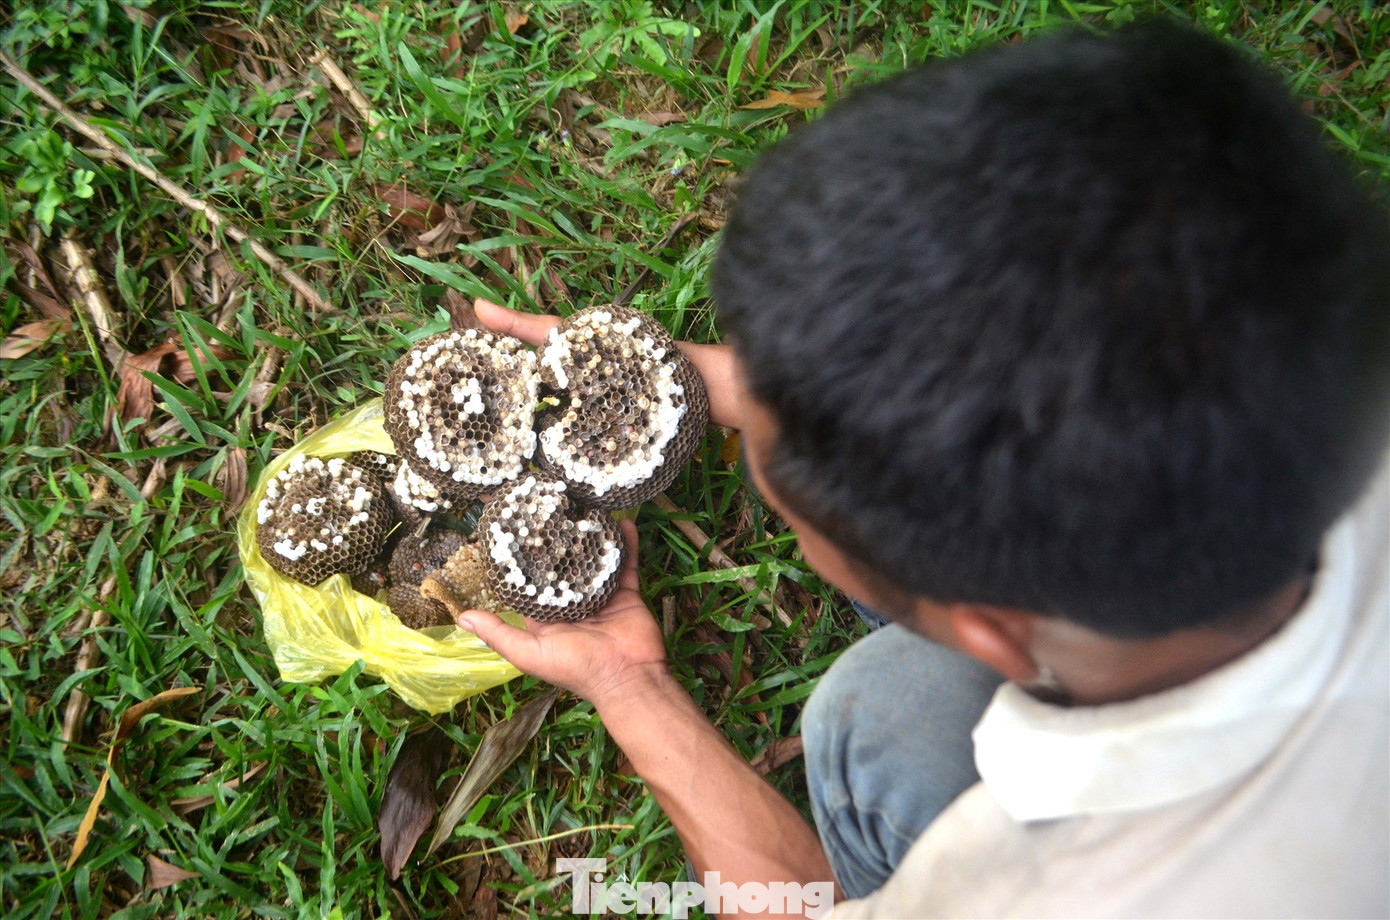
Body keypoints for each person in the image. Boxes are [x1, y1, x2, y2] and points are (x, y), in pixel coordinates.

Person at [453, 20, 1390, 918]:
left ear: (996, 634)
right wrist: (768, 389)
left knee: (873, 722)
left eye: (799, 508)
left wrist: (628, 683)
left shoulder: (1056, 892)